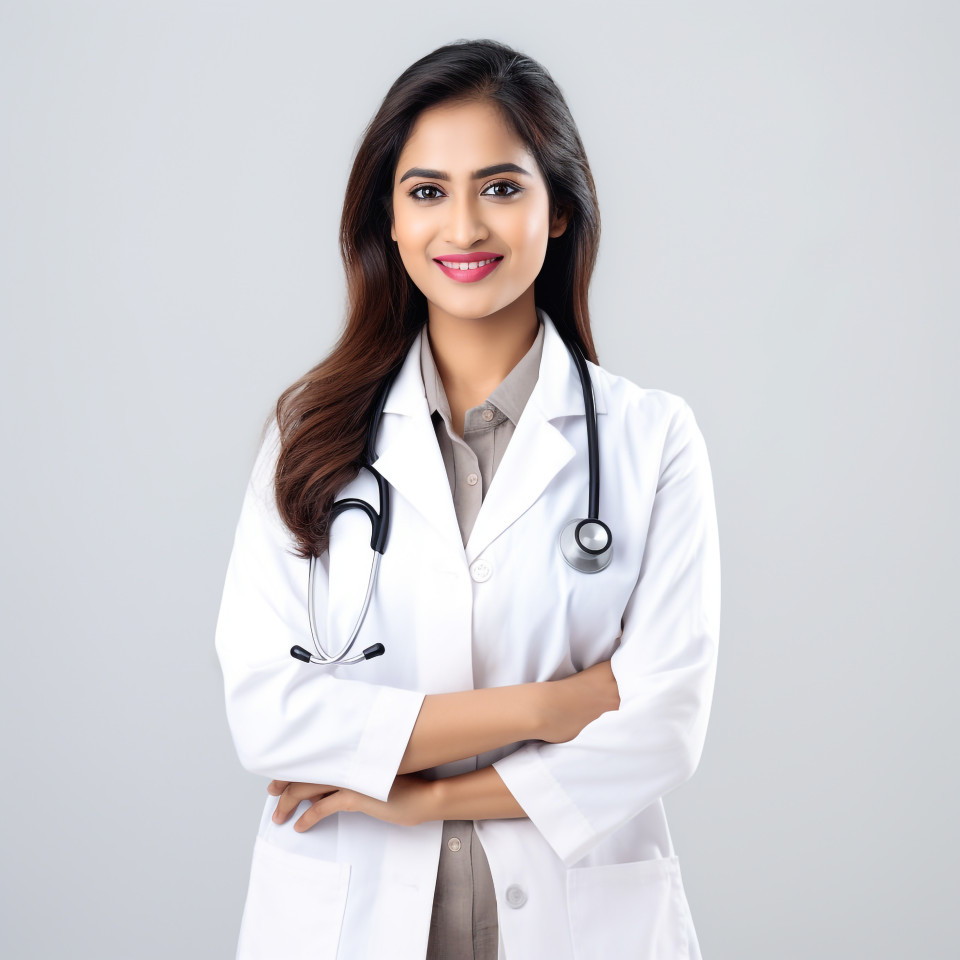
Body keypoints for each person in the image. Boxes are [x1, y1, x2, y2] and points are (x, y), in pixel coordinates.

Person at [215, 37, 721, 960]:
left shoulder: (652, 440)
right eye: (426, 192)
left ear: (559, 208)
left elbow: (664, 728)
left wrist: (426, 795)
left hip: (577, 921)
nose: (463, 229)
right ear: (391, 219)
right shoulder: (311, 436)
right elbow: (268, 713)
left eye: (500, 187)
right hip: (346, 919)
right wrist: (551, 708)